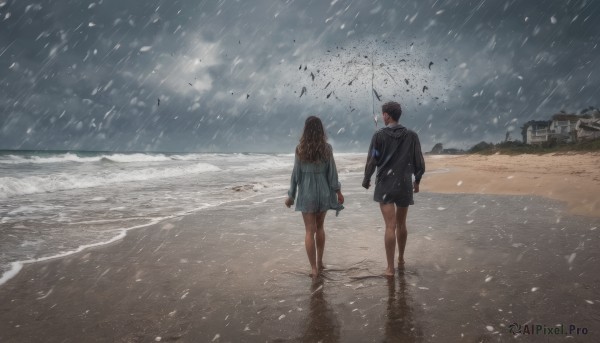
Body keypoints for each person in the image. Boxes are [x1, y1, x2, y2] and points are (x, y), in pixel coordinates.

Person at [362, 101, 425, 276]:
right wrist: (417, 180)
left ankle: (390, 268)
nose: (382, 117)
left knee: (390, 226)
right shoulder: (412, 136)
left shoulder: (379, 136)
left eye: (383, 114)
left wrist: (367, 178)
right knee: (401, 224)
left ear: (388, 115)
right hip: (404, 184)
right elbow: (418, 160)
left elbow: (373, 158)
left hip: (385, 185)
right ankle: (401, 259)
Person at [285, 116, 344, 278]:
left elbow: (295, 174)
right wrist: (337, 191)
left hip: (307, 194)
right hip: (324, 193)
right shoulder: (327, 149)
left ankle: (313, 268)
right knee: (320, 228)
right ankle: (320, 261)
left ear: (306, 130)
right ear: (321, 130)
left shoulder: (300, 149)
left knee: (309, 231)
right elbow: (332, 173)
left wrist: (291, 195)